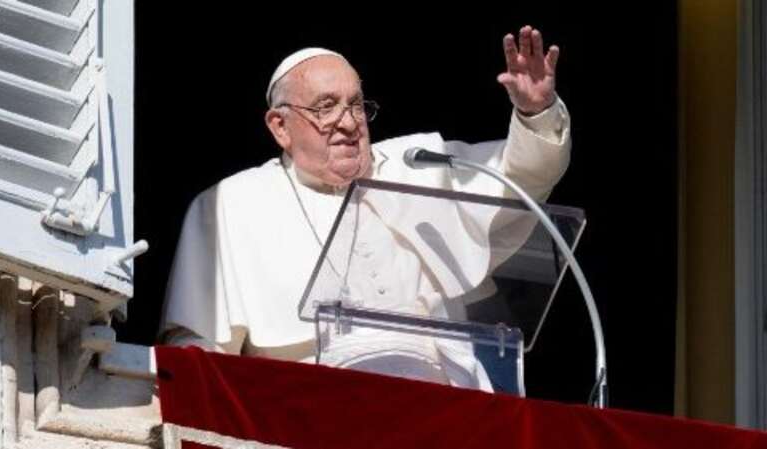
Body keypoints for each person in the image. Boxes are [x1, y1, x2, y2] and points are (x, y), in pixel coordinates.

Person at [160, 26, 571, 391]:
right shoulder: (232, 203)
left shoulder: (415, 165)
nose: (348, 122)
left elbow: (518, 181)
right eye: (325, 107)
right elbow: (198, 347)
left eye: (356, 104)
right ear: (279, 127)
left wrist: (535, 112)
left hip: (444, 402)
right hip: (308, 407)